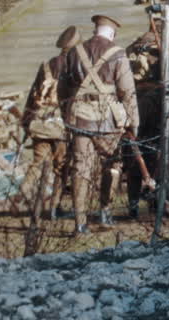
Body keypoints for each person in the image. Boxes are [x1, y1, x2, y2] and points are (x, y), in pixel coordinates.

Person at [61, 14, 138, 234]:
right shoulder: (119, 54)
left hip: (79, 120)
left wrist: (65, 115)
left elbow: (62, 89)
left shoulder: (75, 52)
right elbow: (127, 92)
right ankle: (105, 211)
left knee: (80, 169)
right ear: (112, 33)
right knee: (113, 166)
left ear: (95, 30)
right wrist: (134, 122)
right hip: (108, 122)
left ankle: (80, 222)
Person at [17, 25, 79, 217]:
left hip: (40, 124)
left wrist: (26, 122)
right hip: (61, 125)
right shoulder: (74, 67)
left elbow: (32, 95)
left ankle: (19, 199)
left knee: (38, 164)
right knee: (62, 168)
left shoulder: (47, 65)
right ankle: (54, 207)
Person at [121, 16, 169, 219]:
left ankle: (134, 205)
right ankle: (160, 203)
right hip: (155, 107)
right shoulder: (165, 56)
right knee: (158, 158)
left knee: (134, 156)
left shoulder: (132, 48)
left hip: (133, 104)